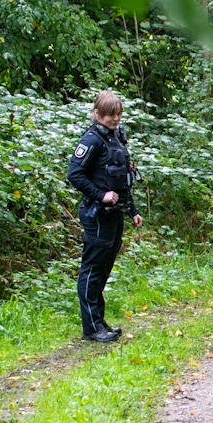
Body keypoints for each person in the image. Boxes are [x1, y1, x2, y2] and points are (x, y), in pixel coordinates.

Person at [66, 90, 141, 342]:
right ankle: (91, 328)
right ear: (97, 114)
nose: (115, 118)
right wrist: (100, 195)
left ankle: (99, 323)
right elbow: (75, 174)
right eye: (110, 115)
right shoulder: (91, 140)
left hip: (115, 214)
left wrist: (133, 210)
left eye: (118, 114)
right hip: (97, 215)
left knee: (104, 269)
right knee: (92, 270)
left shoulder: (116, 138)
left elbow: (122, 179)